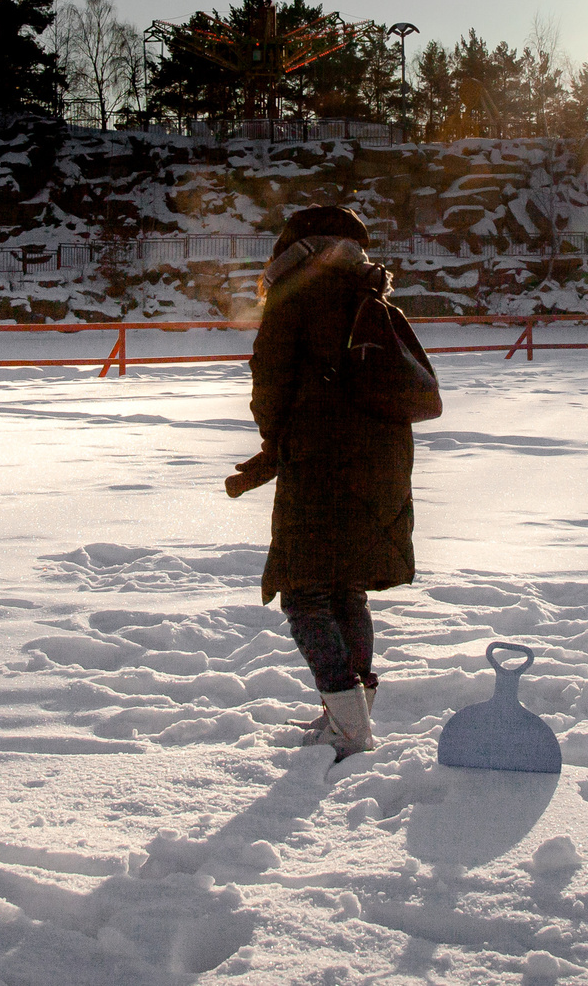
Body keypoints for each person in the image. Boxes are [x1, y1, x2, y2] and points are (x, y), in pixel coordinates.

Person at [227, 205, 415, 761]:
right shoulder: (369, 291)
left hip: (321, 458)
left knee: (306, 590)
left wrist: (274, 445)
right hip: (383, 456)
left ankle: (349, 726)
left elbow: (271, 384)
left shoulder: (296, 295)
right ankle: (349, 715)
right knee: (343, 585)